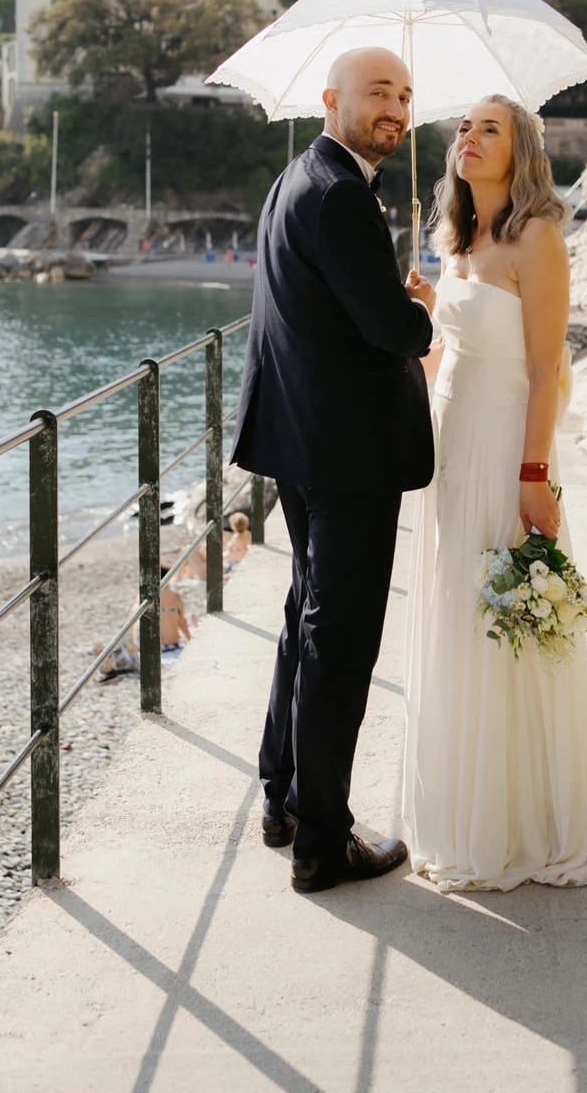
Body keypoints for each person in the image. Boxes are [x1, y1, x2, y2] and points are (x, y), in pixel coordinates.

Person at [404, 95, 587, 892]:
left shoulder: (536, 237)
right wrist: (423, 314)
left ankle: (530, 823)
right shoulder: (456, 239)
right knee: (459, 616)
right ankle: (469, 809)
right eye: (463, 128)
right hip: (450, 448)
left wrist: (534, 476)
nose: (470, 139)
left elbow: (546, 369)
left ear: (521, 153)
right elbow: (447, 354)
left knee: (504, 622)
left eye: (490, 129)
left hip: (507, 445)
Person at [231, 46, 436, 894]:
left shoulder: (297, 179)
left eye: (404, 95)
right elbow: (391, 330)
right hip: (347, 453)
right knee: (339, 641)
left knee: (305, 618)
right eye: (377, 92)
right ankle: (322, 840)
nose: (395, 108)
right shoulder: (341, 193)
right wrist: (419, 310)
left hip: (301, 442)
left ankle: (282, 801)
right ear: (331, 99)